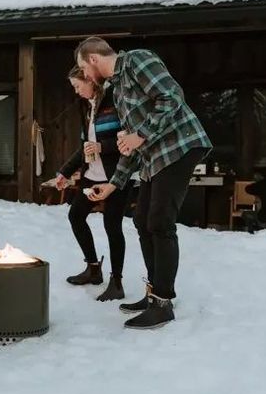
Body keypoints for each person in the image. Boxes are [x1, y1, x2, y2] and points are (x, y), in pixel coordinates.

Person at [77, 37, 211, 329]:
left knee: (160, 221)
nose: (85, 76)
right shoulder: (118, 90)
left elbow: (171, 96)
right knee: (141, 219)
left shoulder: (138, 60)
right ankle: (153, 295)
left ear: (93, 59)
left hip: (180, 146)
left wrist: (142, 135)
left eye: (83, 69)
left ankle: (163, 303)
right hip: (154, 157)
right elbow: (131, 145)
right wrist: (113, 184)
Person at [55, 65, 131, 301]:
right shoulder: (86, 107)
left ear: (90, 80)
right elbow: (84, 146)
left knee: (112, 225)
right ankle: (93, 268)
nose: (77, 92)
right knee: (76, 215)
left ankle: (116, 283)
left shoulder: (114, 101)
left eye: (78, 86)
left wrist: (102, 147)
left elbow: (129, 140)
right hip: (92, 175)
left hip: (117, 175)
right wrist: (64, 172)